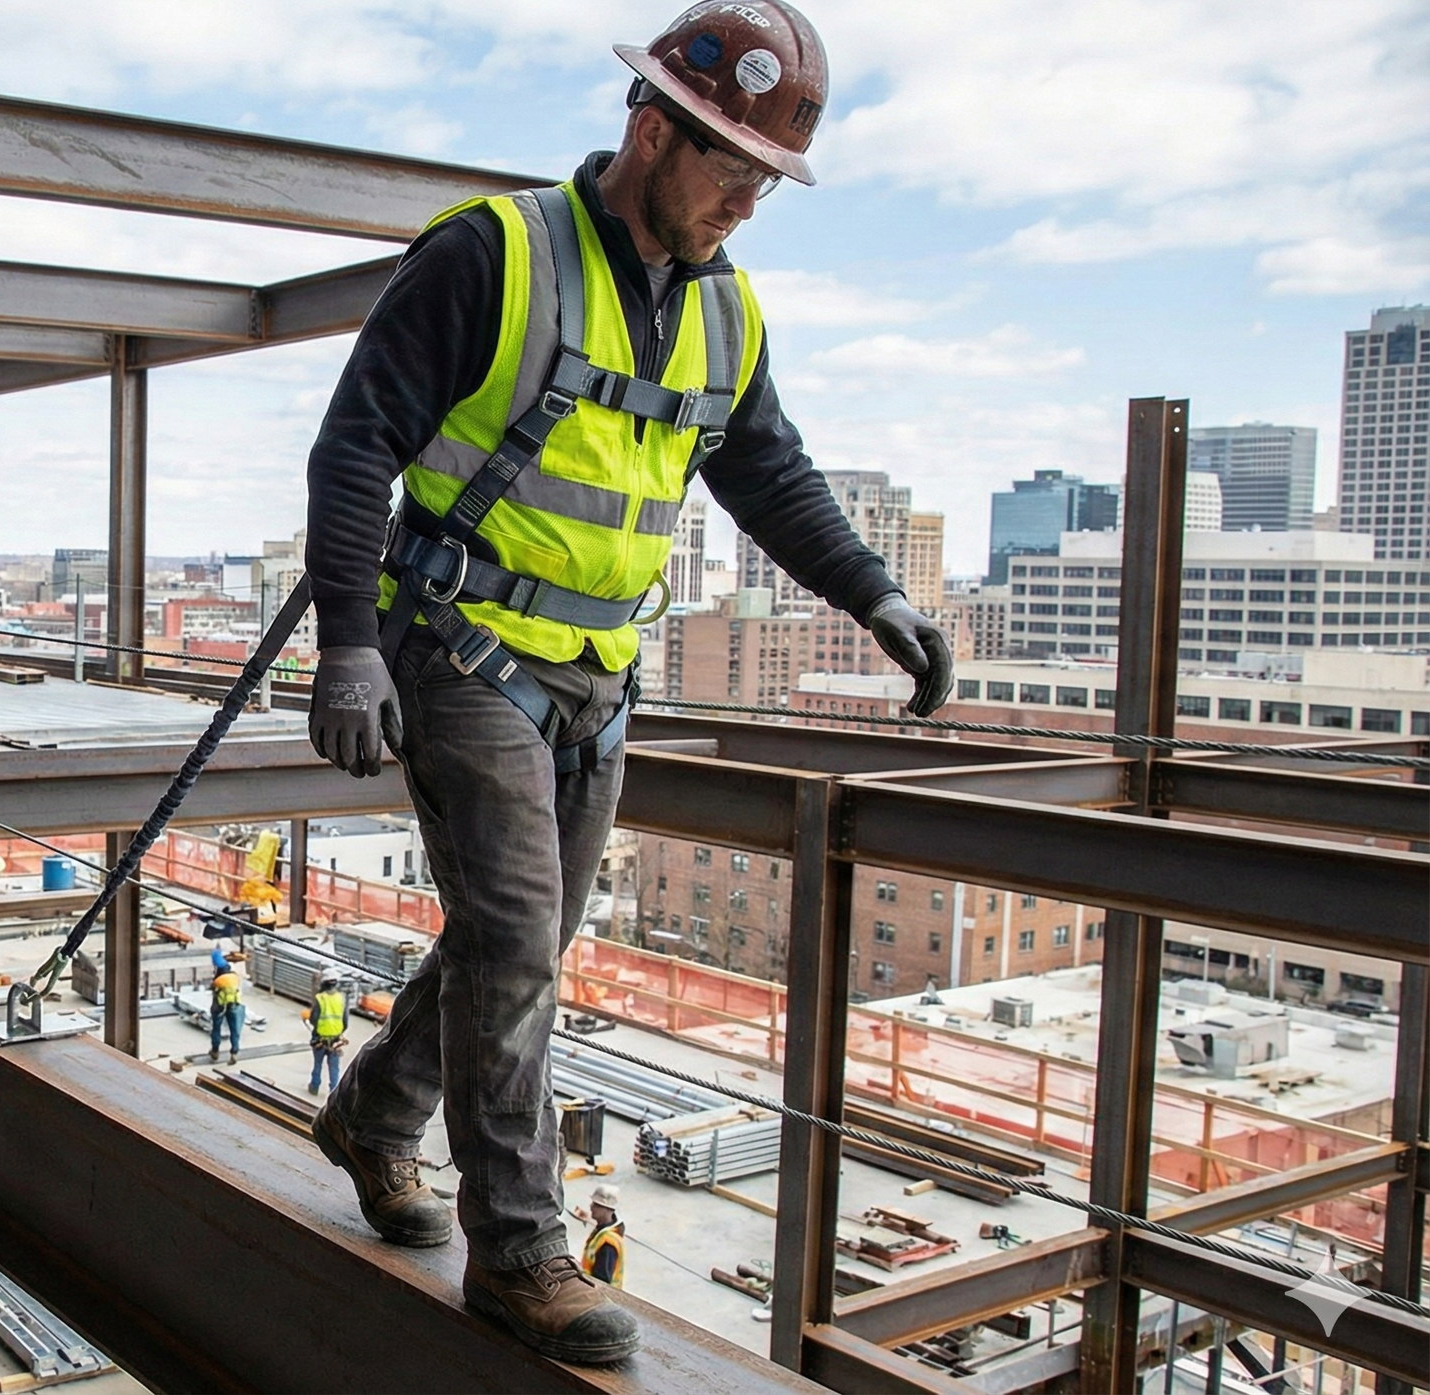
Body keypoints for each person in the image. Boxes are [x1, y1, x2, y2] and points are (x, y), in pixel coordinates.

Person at [300, 1, 952, 1366]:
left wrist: (874, 594)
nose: (747, 205)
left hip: (595, 674)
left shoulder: (724, 311)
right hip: (462, 646)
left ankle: (374, 1111)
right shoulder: (498, 255)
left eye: (766, 181)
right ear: (650, 127)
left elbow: (765, 468)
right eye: (731, 170)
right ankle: (522, 1247)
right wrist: (351, 642)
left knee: (515, 940)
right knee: (521, 936)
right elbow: (358, 445)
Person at [304, 973, 349, 1094]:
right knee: (334, 1068)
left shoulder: (320, 998)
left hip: (319, 1038)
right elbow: (345, 1021)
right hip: (335, 1040)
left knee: (317, 1064)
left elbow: (314, 1018)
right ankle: (334, 1092)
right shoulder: (341, 998)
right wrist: (338, 1032)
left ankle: (314, 1086)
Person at [580, 1185, 627, 1286]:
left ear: (608, 1209)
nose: (591, 1207)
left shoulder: (608, 1243)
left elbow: (601, 1282)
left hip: (598, 1296)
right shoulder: (601, 1231)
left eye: (597, 1204)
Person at [208, 966, 244, 1065]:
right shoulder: (235, 978)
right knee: (234, 1030)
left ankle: (215, 1051)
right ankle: (234, 1053)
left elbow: (212, 989)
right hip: (234, 1006)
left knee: (216, 1029)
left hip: (219, 1007)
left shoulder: (218, 981)